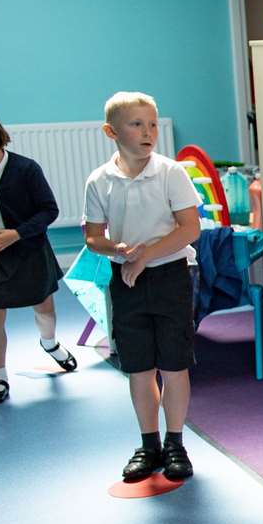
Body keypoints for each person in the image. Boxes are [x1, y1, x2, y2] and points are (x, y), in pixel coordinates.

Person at [81, 93, 202, 484]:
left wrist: (144, 255)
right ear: (111, 132)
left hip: (170, 276)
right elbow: (93, 238)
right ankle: (148, 445)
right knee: (139, 367)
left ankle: (175, 442)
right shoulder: (99, 181)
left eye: (152, 124)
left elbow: (189, 229)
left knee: (174, 364)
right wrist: (118, 250)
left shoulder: (170, 173)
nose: (148, 132)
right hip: (127, 280)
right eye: (136, 124)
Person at [0, 105, 79, 406]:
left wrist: (16, 234)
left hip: (29, 247)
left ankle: (50, 343)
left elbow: (49, 210)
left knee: (44, 304)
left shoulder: (27, 168)